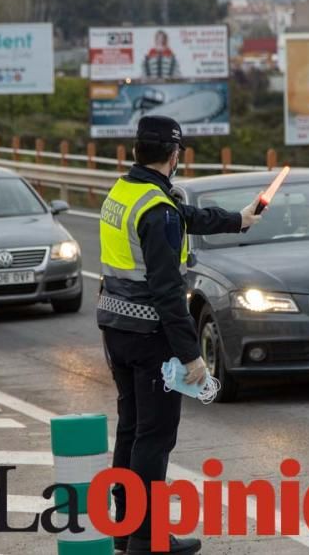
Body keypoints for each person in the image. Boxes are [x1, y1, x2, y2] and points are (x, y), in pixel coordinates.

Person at [98, 116, 261, 554]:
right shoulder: (158, 210)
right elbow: (169, 292)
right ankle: (149, 539)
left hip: (115, 327)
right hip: (151, 336)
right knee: (154, 437)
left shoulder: (125, 192)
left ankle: (125, 529)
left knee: (131, 430)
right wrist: (191, 356)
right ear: (175, 154)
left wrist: (237, 219)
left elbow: (184, 214)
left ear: (136, 151)